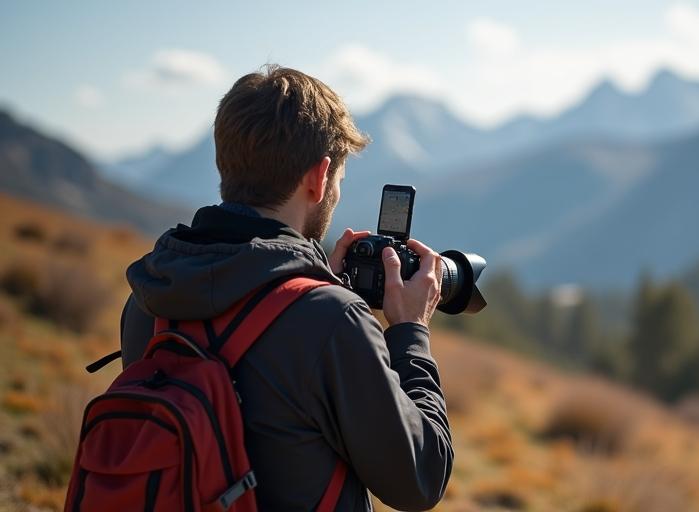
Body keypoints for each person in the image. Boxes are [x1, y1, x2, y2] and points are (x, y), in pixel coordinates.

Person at [118, 64, 452, 511]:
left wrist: (313, 282)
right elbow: (420, 480)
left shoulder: (152, 296)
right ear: (319, 178)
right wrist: (410, 331)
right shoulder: (332, 322)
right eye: (338, 180)